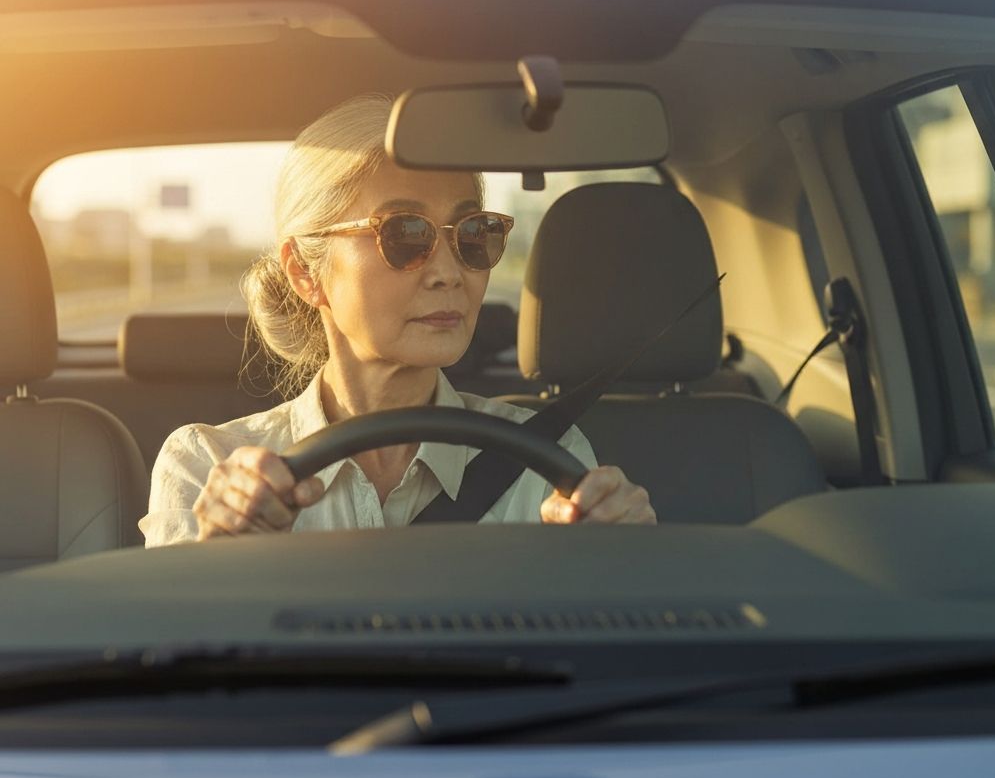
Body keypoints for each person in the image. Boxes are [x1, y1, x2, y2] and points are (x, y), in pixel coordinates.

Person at [140, 94, 656, 546]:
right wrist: (213, 562)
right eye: (406, 234)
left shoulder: (549, 461)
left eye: (474, 233)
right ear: (304, 270)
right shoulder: (207, 466)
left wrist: (623, 565)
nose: (450, 272)